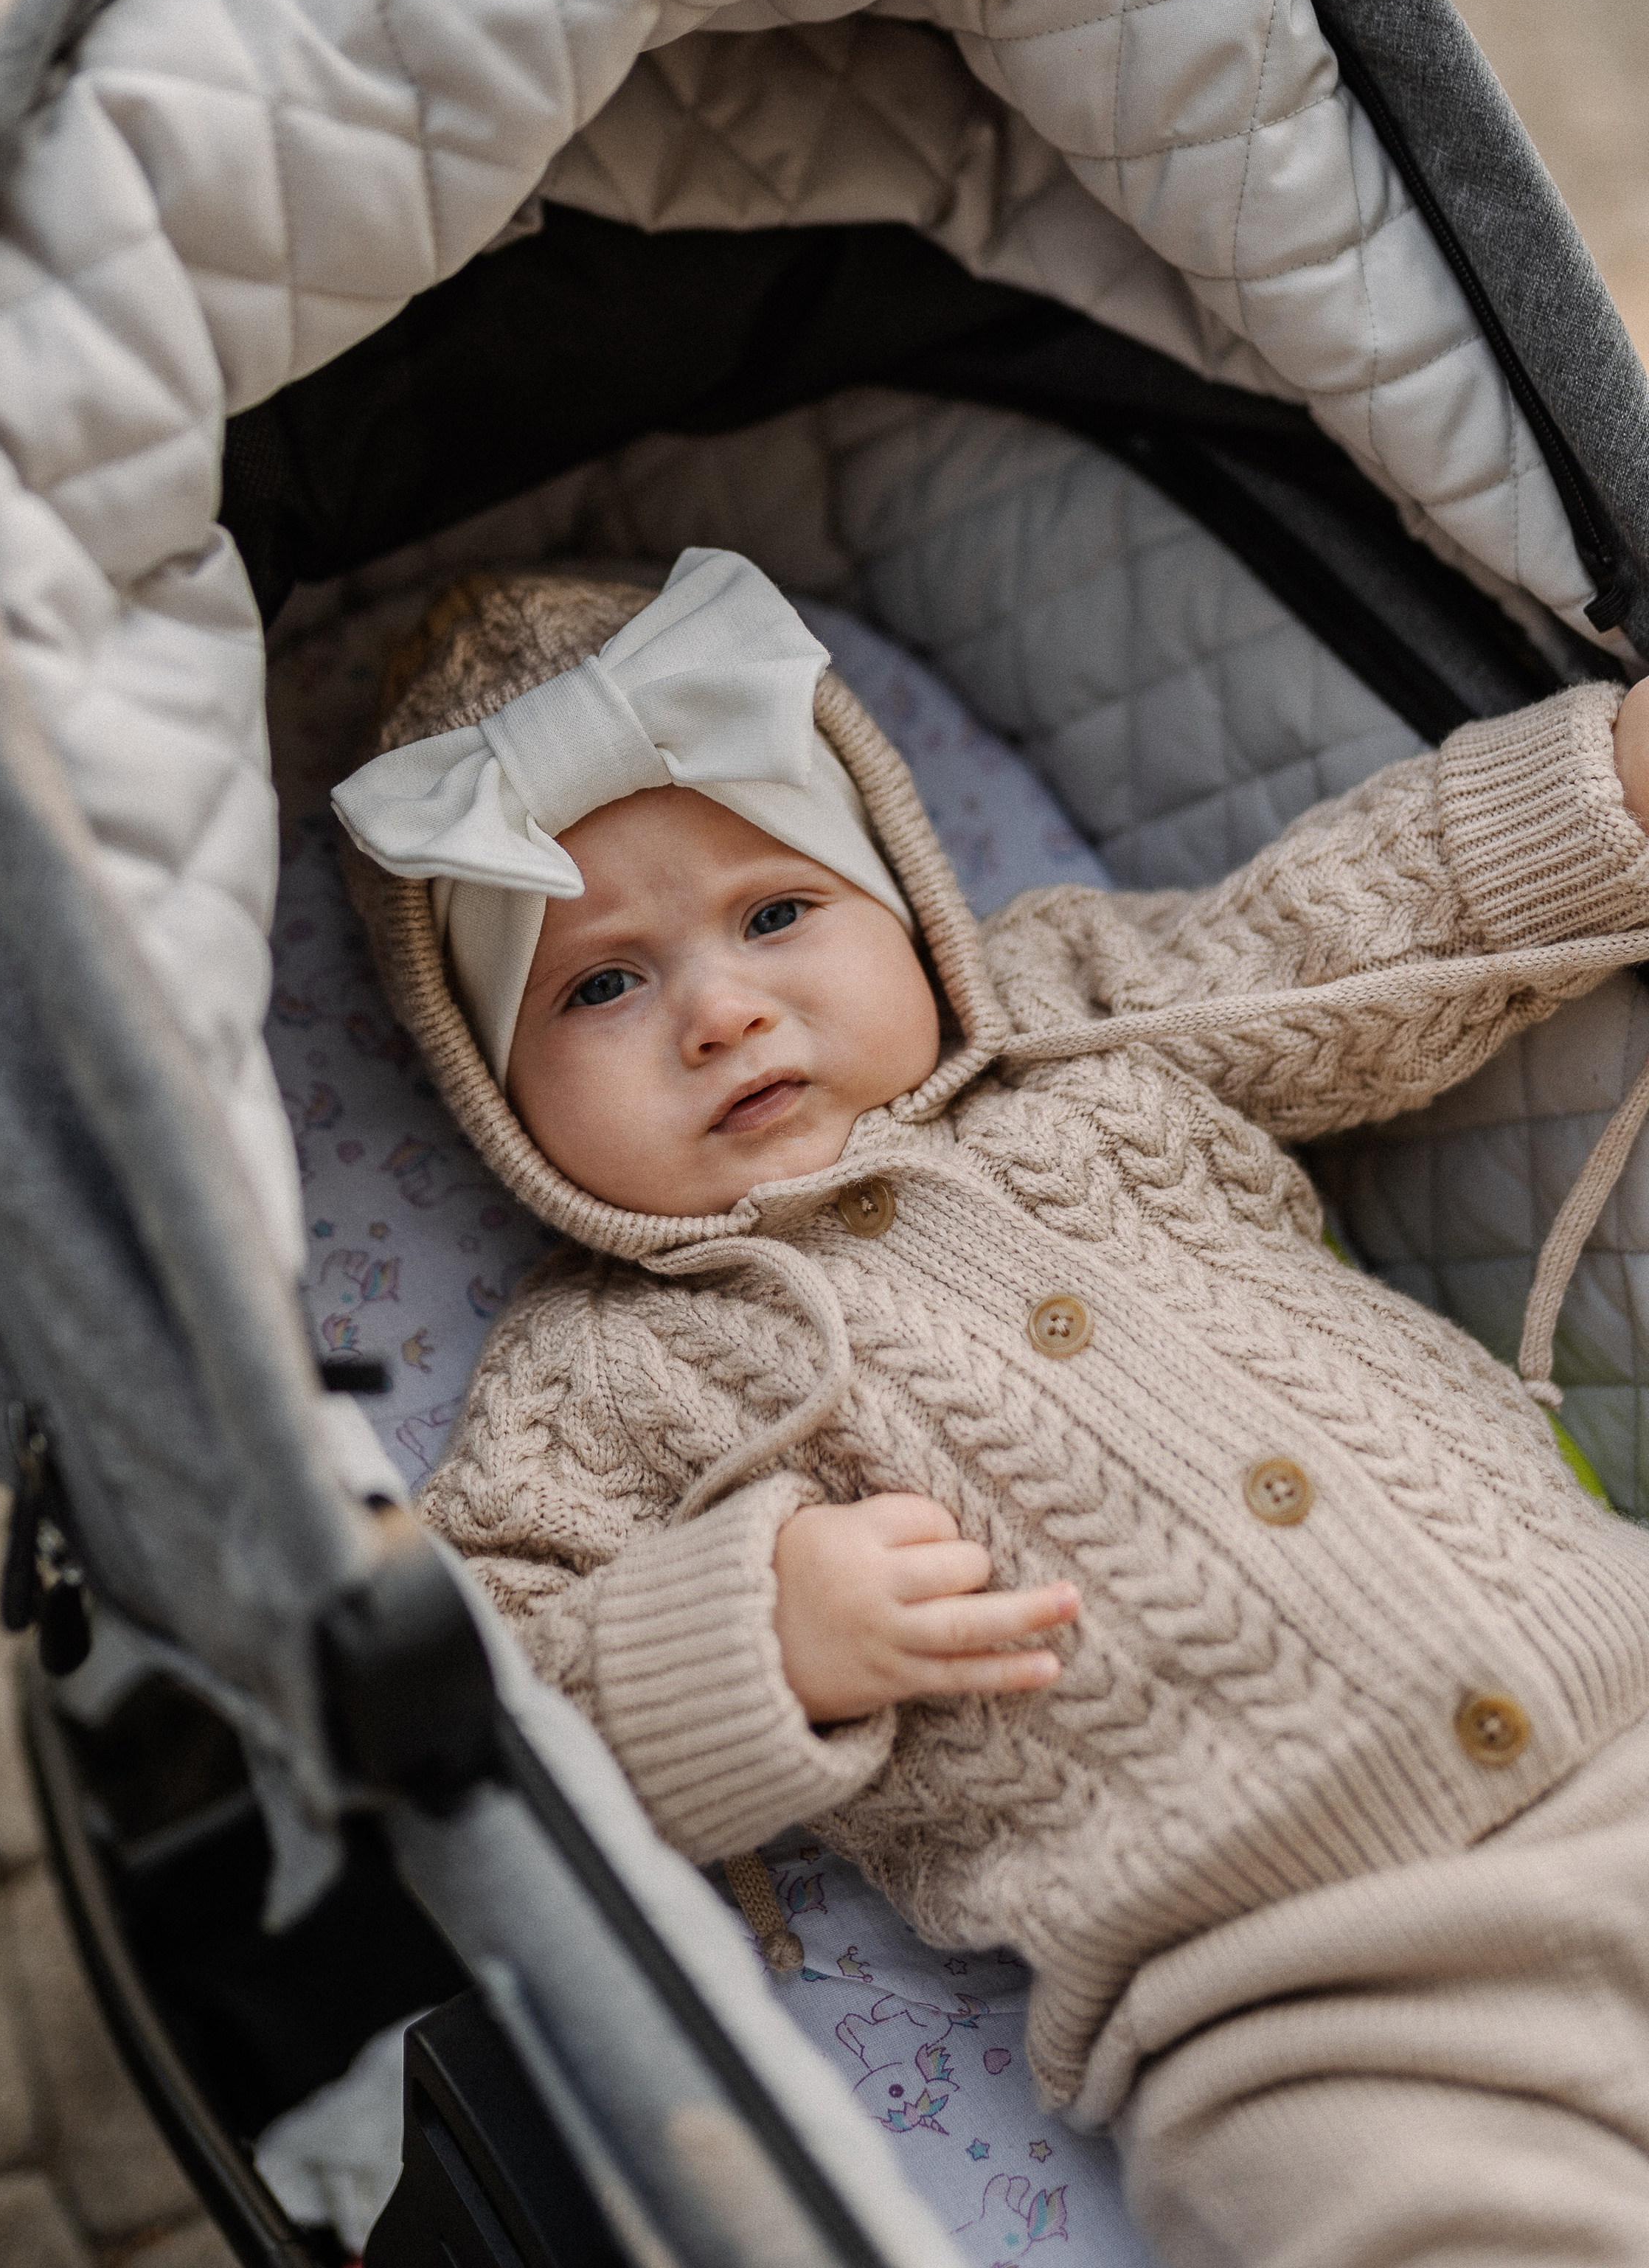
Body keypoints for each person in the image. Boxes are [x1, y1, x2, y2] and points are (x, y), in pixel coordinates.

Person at [334, 547, 1649, 2267]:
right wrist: (744, 1635)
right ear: (486, 1090)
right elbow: (477, 1705)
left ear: (900, 894)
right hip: (1290, 1994)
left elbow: (1345, 928)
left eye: (774, 912)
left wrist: (1600, 788)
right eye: (598, 985)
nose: (720, 1010)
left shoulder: (1073, 1024)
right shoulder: (598, 1366)